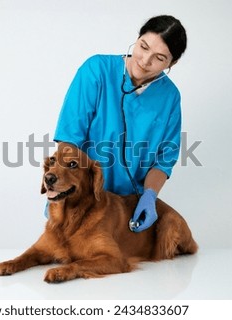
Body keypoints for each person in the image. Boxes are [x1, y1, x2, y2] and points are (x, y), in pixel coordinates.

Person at [51, 15, 187, 232]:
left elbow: (163, 161)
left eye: (159, 58)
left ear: (172, 63)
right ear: (138, 38)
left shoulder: (170, 97)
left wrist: (150, 196)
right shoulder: (96, 70)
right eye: (143, 47)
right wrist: (69, 188)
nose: (144, 61)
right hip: (81, 200)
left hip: (125, 208)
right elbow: (69, 140)